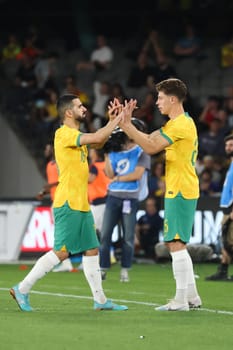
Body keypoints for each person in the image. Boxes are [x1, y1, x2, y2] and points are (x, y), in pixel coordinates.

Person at [10, 93, 128, 312]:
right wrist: (116, 120)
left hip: (81, 204)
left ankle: (100, 300)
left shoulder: (77, 134)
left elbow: (100, 140)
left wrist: (112, 120)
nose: (84, 108)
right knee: (62, 252)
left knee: (92, 250)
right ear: (68, 112)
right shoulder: (63, 134)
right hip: (68, 203)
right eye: (79, 106)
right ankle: (22, 289)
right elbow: (96, 138)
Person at [117, 78, 202, 311]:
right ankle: (192, 298)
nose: (157, 102)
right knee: (177, 242)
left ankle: (181, 300)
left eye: (161, 98)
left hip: (181, 188)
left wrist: (127, 125)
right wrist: (124, 123)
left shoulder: (180, 125)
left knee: (174, 243)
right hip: (181, 187)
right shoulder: (177, 124)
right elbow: (151, 139)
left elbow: (151, 147)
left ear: (173, 99)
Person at [99, 118, 151, 282]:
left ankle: (125, 269)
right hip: (113, 197)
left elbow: (137, 174)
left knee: (128, 237)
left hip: (131, 198)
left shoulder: (142, 151)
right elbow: (108, 173)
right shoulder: (115, 149)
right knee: (105, 235)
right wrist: (107, 156)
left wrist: (117, 179)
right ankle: (103, 267)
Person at [37, 142, 74, 272]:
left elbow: (63, 180)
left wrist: (50, 186)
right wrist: (44, 192)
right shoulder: (49, 165)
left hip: (63, 201)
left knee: (62, 233)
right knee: (60, 232)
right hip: (56, 200)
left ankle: (66, 262)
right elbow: (54, 184)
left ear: (53, 149)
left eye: (47, 148)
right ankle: (66, 262)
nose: (45, 151)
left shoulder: (61, 162)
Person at [205, 134, 233, 281]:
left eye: (231, 145)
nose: (228, 148)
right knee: (226, 240)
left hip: (231, 208)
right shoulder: (231, 164)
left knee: (230, 241)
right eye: (227, 145)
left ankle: (224, 270)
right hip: (227, 209)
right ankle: (223, 270)